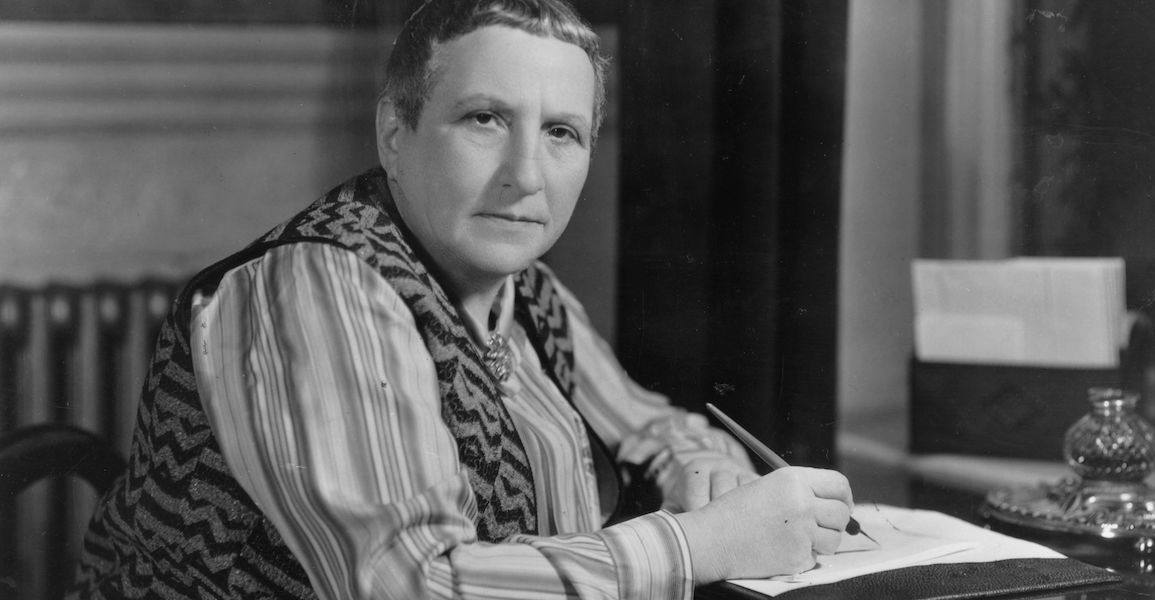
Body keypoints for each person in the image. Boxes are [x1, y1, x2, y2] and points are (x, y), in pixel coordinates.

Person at [69, 1, 854, 598]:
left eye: (561, 133)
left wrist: (699, 467)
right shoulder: (316, 286)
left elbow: (648, 425)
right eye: (485, 119)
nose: (527, 175)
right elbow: (412, 584)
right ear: (395, 135)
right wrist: (701, 543)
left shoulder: (525, 289)